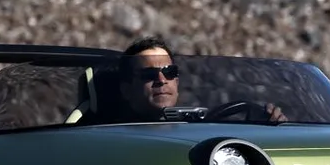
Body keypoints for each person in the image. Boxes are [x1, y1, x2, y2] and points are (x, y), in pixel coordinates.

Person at [115, 35, 288, 123]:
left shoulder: (199, 125)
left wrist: (272, 124)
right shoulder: (113, 137)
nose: (161, 79)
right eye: (149, 74)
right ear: (127, 90)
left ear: (177, 81)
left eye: (169, 72)